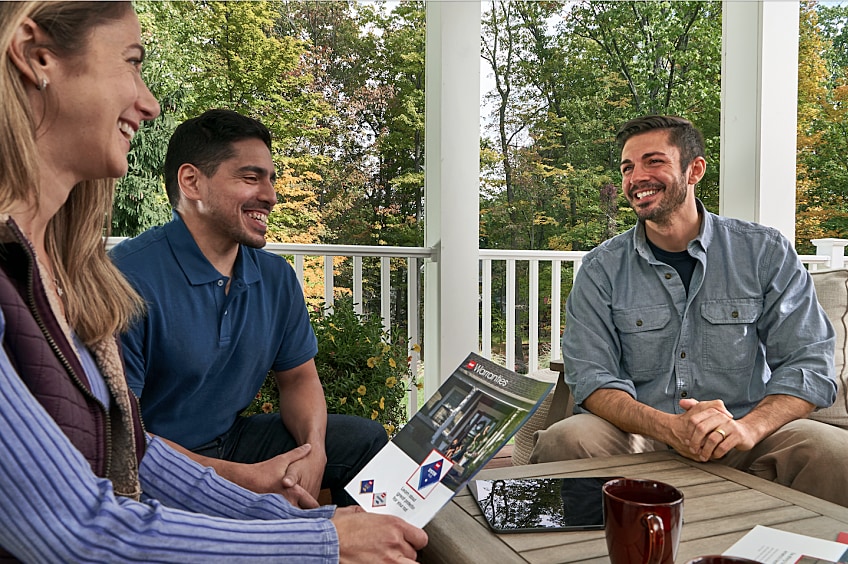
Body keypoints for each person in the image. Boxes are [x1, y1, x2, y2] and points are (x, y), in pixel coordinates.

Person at [0, 2, 426, 561]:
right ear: (37, 56)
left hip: (219, 448)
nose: (149, 104)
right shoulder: (122, 274)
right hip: (144, 497)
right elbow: (77, 531)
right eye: (131, 62)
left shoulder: (60, 272)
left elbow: (130, 448)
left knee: (363, 442)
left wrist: (288, 499)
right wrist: (320, 540)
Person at [529, 115, 848, 506]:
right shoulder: (601, 268)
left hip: (744, 433)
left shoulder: (764, 252)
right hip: (639, 436)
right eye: (628, 168)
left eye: (654, 161)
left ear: (694, 169)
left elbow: (809, 364)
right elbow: (592, 377)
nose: (636, 177)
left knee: (834, 453)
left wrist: (749, 428)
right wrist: (669, 427)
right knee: (568, 438)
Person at [110, 108, 388, 509]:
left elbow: (298, 380)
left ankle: (367, 546)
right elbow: (117, 435)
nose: (271, 196)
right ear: (192, 182)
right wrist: (245, 479)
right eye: (250, 177)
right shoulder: (126, 279)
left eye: (271, 179)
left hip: (231, 442)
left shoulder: (275, 277)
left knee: (364, 441)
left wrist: (314, 450)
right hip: (153, 466)